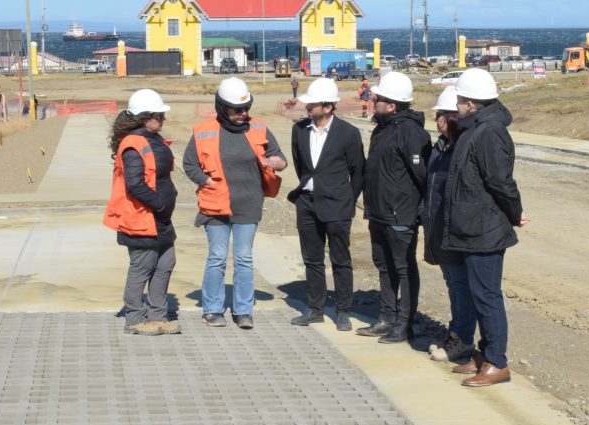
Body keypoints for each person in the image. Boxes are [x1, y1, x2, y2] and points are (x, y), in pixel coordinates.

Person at [444, 68, 529, 386]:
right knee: (480, 295)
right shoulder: (475, 129)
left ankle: (497, 362)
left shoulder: (489, 132)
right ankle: (484, 354)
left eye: (460, 100)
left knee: (488, 295)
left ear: (471, 103)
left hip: (485, 228)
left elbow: (500, 181)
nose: (456, 107)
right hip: (473, 226)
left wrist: (515, 213)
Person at [183, 77, 287, 330]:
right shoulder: (203, 130)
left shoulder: (260, 129)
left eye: (246, 108)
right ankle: (212, 310)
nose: (243, 113)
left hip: (248, 204)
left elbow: (281, 159)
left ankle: (243, 311)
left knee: (243, 258)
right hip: (215, 205)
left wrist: (274, 163)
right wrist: (205, 181)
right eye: (237, 109)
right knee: (217, 257)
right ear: (222, 107)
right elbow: (189, 164)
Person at [355, 71, 431, 343]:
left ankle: (404, 323)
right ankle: (387, 317)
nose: (373, 100)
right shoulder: (382, 129)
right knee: (384, 265)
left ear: (393, 104)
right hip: (379, 212)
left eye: (379, 98)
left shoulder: (412, 132)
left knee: (403, 267)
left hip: (401, 214)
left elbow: (422, 175)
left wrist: (416, 210)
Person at [288, 77, 365, 331]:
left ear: (328, 107)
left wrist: (347, 201)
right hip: (307, 204)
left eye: (313, 104)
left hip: (337, 206)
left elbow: (358, 172)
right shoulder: (299, 130)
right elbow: (301, 166)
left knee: (340, 259)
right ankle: (315, 308)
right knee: (312, 259)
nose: (307, 107)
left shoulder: (348, 133)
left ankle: (343, 310)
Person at [103, 89, 180, 336]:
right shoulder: (134, 143)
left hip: (159, 218)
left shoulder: (151, 138)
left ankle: (158, 315)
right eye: (159, 115)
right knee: (142, 267)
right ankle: (135, 318)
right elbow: (134, 184)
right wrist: (159, 202)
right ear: (146, 117)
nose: (163, 119)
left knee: (166, 262)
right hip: (141, 218)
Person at [422, 86, 476, 361]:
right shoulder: (440, 148)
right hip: (438, 229)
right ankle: (456, 334)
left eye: (442, 114)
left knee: (460, 286)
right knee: (452, 284)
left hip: (454, 232)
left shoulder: (462, 149)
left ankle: (462, 340)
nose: (437, 120)